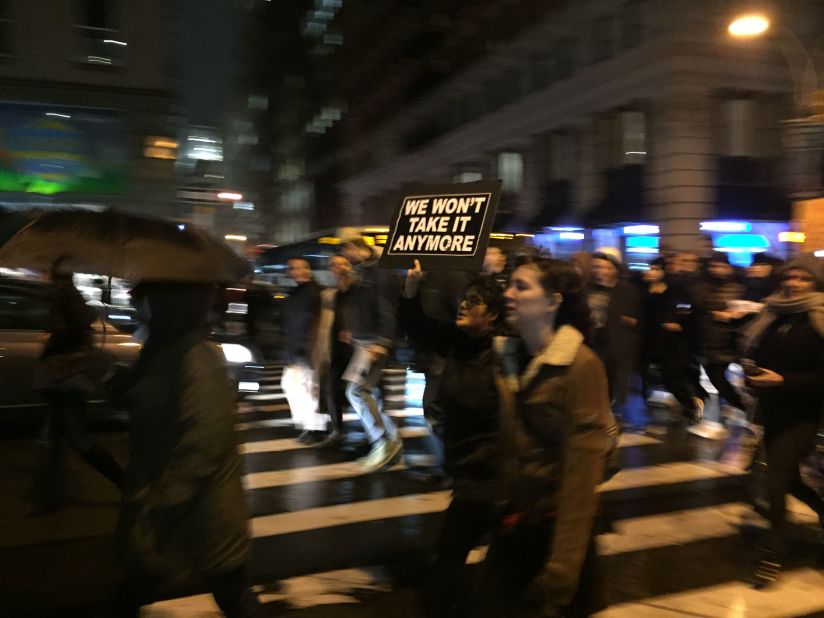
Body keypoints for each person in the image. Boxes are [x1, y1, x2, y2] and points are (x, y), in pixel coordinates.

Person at [110, 282, 262, 617]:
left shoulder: (195, 355)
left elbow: (204, 441)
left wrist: (162, 503)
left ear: (168, 303)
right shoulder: (161, 346)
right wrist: (106, 375)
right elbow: (144, 397)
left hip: (200, 507)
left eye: (143, 297)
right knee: (138, 586)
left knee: (229, 588)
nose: (136, 304)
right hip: (169, 503)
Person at [482, 256, 614, 617]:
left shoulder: (580, 366)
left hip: (554, 539)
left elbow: (581, 476)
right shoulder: (508, 356)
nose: (508, 293)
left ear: (553, 301)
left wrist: (560, 573)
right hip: (513, 530)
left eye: (521, 286)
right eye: (509, 284)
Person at [400, 260, 505, 616]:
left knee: (450, 556)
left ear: (491, 315)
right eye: (463, 299)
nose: (463, 304)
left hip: (488, 472)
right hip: (465, 465)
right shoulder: (459, 341)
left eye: (473, 302)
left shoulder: (505, 355)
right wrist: (412, 289)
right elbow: (418, 328)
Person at [740, 254, 824, 587]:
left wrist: (782, 381)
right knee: (788, 480)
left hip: (805, 414)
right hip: (773, 410)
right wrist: (753, 373)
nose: (793, 284)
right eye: (790, 277)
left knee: (774, 483)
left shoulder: (819, 321)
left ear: (815, 283)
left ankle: (772, 554)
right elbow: (759, 355)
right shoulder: (772, 314)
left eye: (803, 279)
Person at [36, 260, 122, 513]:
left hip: (67, 380)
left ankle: (124, 481)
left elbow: (76, 328)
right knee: (54, 438)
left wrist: (56, 323)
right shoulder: (62, 297)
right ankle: (51, 497)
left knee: (76, 439)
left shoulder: (66, 297)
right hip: (60, 378)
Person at [339, 228, 403, 471]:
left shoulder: (379, 272)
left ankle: (383, 442)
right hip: (364, 341)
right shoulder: (364, 270)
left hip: (372, 344)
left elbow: (387, 309)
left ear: (356, 246)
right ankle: (390, 442)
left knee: (357, 392)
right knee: (366, 393)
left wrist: (383, 342)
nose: (345, 256)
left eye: (346, 250)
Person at [641, 257, 703, 423]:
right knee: (656, 375)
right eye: (651, 268)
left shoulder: (674, 287)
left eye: (656, 269)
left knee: (672, 375)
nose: (652, 272)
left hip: (672, 340)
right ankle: (689, 404)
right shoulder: (644, 288)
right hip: (652, 339)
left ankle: (691, 405)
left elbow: (687, 306)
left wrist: (678, 322)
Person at [588, 250, 643, 418]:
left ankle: (611, 409)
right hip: (593, 339)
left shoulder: (627, 290)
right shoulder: (588, 289)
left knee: (614, 378)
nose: (600, 271)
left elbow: (638, 319)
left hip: (617, 342)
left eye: (605, 267)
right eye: (596, 267)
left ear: (615, 269)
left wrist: (627, 322)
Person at [694, 252, 748, 417]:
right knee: (714, 377)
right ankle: (740, 405)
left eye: (722, 266)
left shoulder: (737, 288)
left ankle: (744, 407)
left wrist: (735, 315)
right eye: (714, 266)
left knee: (718, 378)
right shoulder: (702, 286)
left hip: (727, 340)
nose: (718, 270)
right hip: (706, 340)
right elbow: (698, 309)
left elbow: (748, 309)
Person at [281, 257, 326, 443]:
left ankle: (316, 429)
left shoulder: (316, 293)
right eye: (292, 268)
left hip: (308, 350)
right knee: (292, 387)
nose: (296, 272)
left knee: (310, 392)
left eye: (299, 268)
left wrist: (306, 349)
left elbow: (315, 325)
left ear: (308, 270)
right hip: (296, 349)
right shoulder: (296, 293)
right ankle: (310, 427)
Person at [314, 254, 355, 449]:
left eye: (342, 263)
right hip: (336, 349)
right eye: (333, 265)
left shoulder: (358, 291)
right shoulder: (331, 294)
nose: (337, 268)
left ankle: (379, 435)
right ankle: (338, 431)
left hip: (357, 349)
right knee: (331, 389)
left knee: (360, 392)